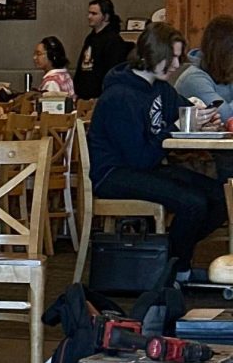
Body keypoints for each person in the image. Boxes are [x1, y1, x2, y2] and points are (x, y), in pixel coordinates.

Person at [87, 21, 226, 280]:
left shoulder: (160, 88)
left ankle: (171, 262)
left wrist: (205, 118)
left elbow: (185, 111)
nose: (176, 65)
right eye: (171, 57)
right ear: (152, 54)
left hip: (145, 165)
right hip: (114, 173)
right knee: (193, 203)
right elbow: (139, 157)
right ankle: (175, 268)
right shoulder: (119, 95)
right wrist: (175, 126)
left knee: (221, 198)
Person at [175, 14, 233, 180]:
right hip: (198, 156)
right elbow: (225, 116)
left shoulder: (226, 74)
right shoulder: (194, 78)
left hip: (220, 151)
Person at [73, 0, 131, 100]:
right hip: (84, 95)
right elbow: (81, 67)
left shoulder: (114, 41)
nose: (89, 16)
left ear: (106, 17)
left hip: (101, 96)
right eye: (89, 13)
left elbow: (113, 72)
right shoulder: (90, 38)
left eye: (94, 14)